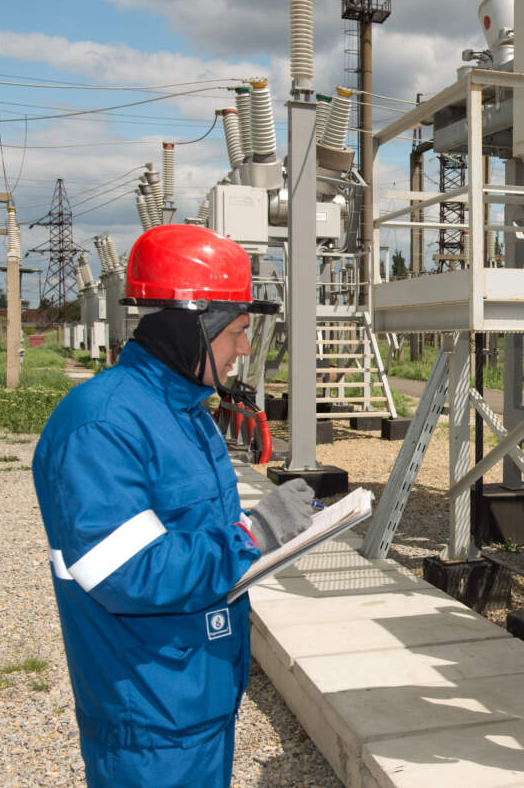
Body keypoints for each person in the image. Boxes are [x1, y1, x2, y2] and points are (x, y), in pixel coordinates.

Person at [33, 224, 316, 788]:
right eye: (236, 332)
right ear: (193, 326)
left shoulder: (185, 413)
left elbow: (197, 535)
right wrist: (253, 535)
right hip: (149, 714)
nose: (242, 348)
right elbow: (129, 573)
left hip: (193, 691)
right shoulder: (102, 423)